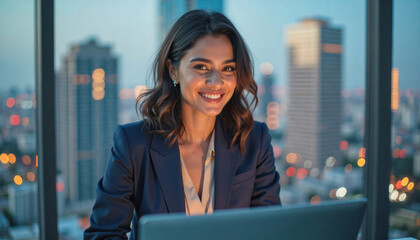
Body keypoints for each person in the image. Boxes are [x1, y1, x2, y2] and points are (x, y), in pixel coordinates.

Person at [84, 9, 281, 239]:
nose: (216, 82)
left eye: (228, 68)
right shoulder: (133, 144)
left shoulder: (255, 140)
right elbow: (104, 234)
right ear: (173, 70)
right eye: (201, 67)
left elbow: (270, 230)